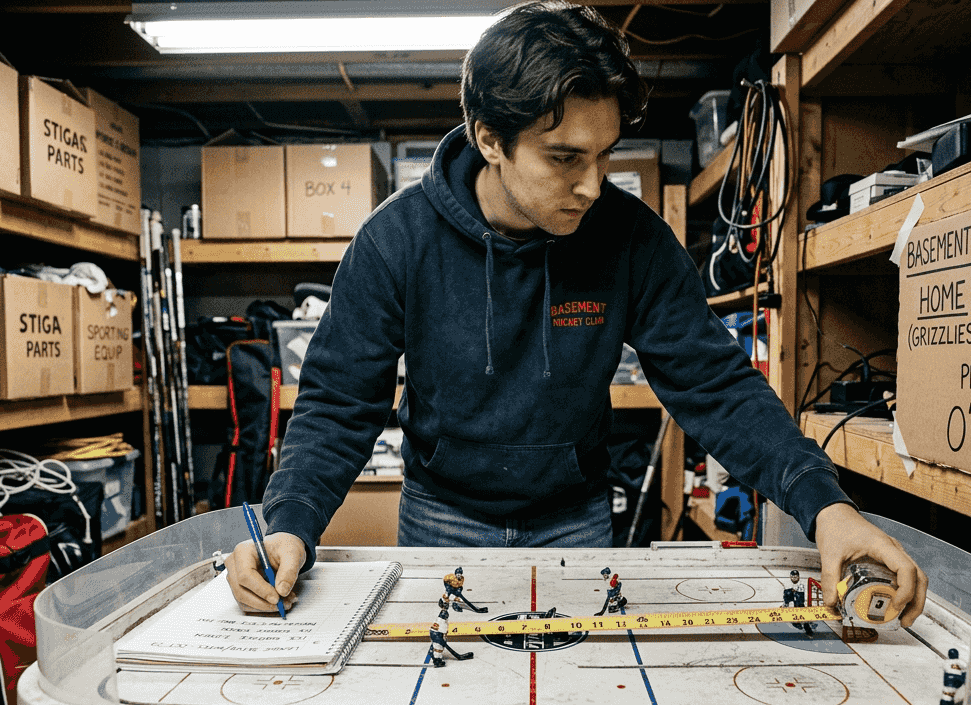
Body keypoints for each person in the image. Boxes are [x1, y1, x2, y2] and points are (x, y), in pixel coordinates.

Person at [226, 0, 928, 629]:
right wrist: (289, 523)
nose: (594, 185)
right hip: (441, 517)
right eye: (565, 158)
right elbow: (338, 402)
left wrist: (826, 508)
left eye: (605, 154)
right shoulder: (394, 242)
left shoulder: (631, 239)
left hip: (576, 519)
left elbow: (715, 385)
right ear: (490, 140)